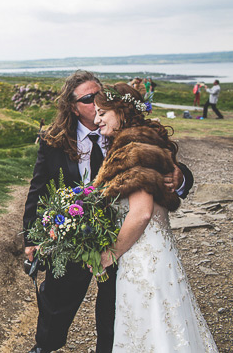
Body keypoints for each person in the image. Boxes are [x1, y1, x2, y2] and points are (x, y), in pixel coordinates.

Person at [22, 70, 193, 353]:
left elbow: (161, 161)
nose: (95, 105)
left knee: (115, 306)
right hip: (75, 233)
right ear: (73, 106)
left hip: (124, 237)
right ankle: (45, 346)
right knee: (57, 295)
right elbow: (37, 189)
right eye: (88, 99)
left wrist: (179, 177)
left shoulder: (128, 133)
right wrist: (30, 238)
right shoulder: (54, 140)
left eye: (99, 97)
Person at [92, 83, 218, 351]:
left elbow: (141, 213)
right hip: (157, 253)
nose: (96, 119)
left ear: (121, 112)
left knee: (148, 329)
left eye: (102, 112)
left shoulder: (133, 149)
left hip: (141, 257)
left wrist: (108, 255)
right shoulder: (141, 140)